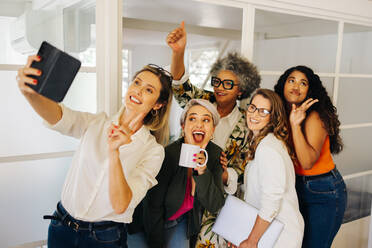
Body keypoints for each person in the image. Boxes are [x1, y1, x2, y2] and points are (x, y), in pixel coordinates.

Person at [16, 55, 173, 248]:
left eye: (148, 90)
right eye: (137, 82)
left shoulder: (153, 152)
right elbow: (59, 117)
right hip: (61, 227)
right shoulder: (96, 123)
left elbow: (121, 205)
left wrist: (114, 152)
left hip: (105, 239)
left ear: (158, 104)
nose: (138, 91)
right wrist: (31, 94)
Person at [167, 22, 261, 247]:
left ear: (241, 89)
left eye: (228, 84)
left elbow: (244, 167)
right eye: (217, 81)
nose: (219, 87)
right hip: (184, 189)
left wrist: (226, 174)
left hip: (218, 198)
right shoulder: (204, 102)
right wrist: (178, 53)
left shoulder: (247, 123)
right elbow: (180, 86)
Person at [130, 99, 225, 248]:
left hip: (182, 219)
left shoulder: (215, 155)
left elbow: (214, 204)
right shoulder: (169, 154)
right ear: (183, 126)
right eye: (192, 118)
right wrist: (156, 244)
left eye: (206, 120)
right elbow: (153, 206)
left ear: (212, 129)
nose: (199, 124)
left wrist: (202, 170)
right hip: (149, 222)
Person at [274, 66, 347, 248]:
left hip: (322, 190)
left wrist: (296, 125)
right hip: (294, 186)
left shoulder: (314, 116)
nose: (296, 86)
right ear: (283, 84)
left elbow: (307, 162)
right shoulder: (281, 112)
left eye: (303, 83)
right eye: (291, 80)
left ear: (310, 90)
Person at [230, 89, 304, 248]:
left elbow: (271, 202)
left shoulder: (268, 149)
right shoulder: (260, 142)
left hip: (281, 235)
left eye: (263, 111)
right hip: (267, 230)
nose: (254, 114)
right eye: (253, 107)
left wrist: (251, 240)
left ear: (273, 118)